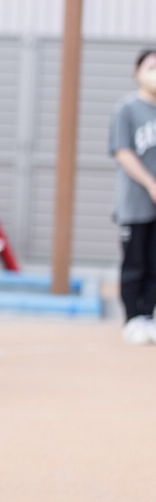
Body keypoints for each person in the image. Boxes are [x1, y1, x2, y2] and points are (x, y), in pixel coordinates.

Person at [111, 48, 156, 344]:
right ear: (137, 72)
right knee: (135, 261)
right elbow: (123, 152)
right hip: (136, 202)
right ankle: (132, 318)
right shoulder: (126, 109)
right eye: (151, 66)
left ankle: (149, 315)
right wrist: (151, 184)